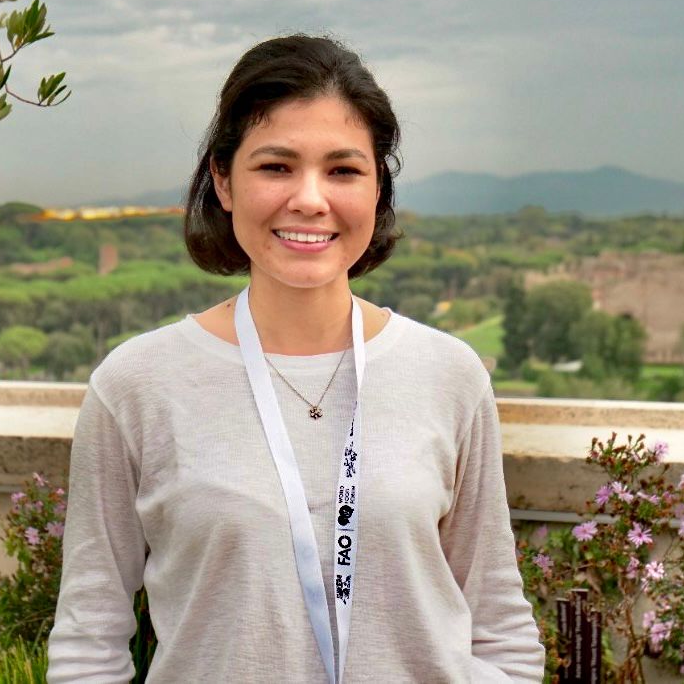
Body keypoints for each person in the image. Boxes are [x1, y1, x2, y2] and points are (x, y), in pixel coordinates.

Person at [47, 34, 545, 682]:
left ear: (376, 190)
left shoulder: (447, 374)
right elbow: (90, 636)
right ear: (222, 181)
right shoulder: (136, 385)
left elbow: (498, 623)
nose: (309, 199)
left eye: (342, 170)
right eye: (275, 166)